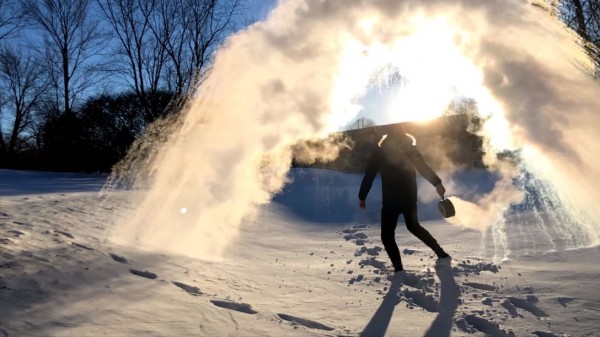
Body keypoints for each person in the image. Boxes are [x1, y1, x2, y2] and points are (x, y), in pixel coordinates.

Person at [358, 125, 450, 272]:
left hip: (390, 201)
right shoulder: (410, 149)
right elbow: (423, 167)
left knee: (387, 236)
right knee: (414, 227)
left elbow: (369, 176)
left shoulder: (380, 153)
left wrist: (362, 197)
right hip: (409, 198)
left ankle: (399, 269)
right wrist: (437, 183)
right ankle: (441, 253)